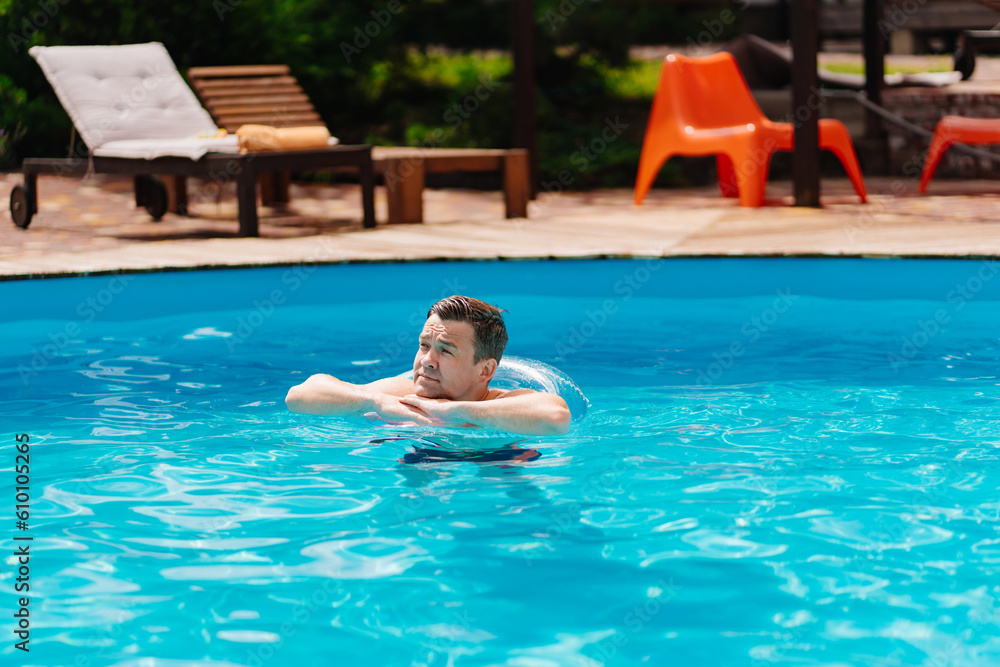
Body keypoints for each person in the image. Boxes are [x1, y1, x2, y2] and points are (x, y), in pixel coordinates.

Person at [285, 295, 572, 436]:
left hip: (495, 467)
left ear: (484, 370)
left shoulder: (507, 402)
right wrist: (372, 400)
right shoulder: (402, 394)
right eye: (424, 345)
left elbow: (555, 418)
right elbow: (298, 396)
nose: (426, 361)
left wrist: (453, 411)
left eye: (445, 351)